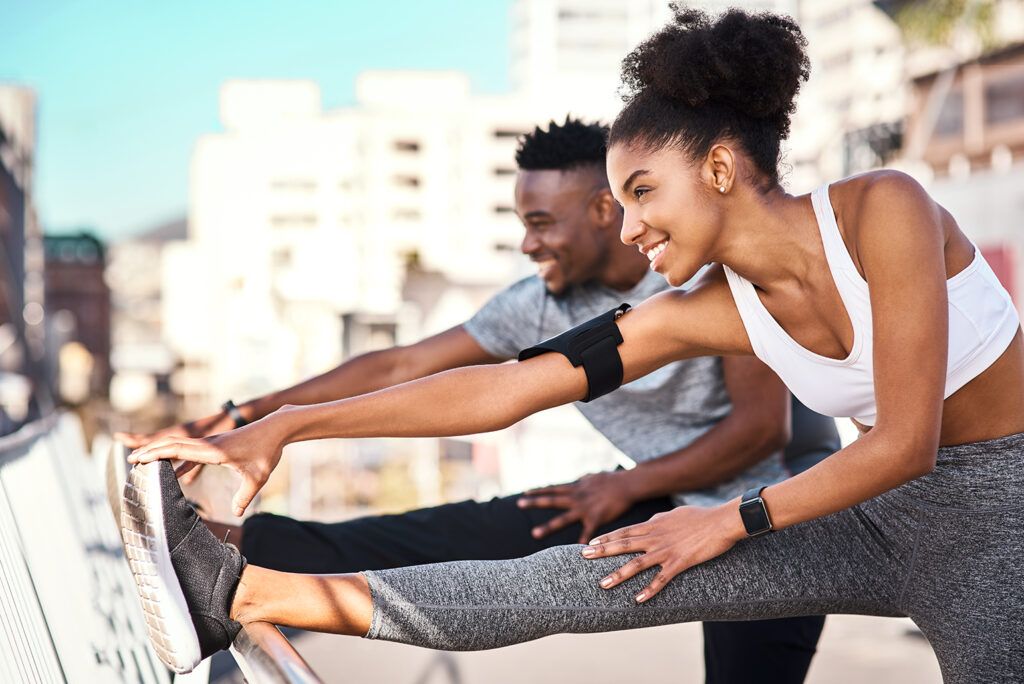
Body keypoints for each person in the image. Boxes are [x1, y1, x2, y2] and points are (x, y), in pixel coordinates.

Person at [122, 8, 1024, 684]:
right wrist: (284, 426)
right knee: (570, 583)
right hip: (858, 518)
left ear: (718, 168)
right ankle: (236, 596)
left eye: (641, 192)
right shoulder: (712, 309)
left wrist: (722, 518)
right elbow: (508, 388)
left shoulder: (883, 210)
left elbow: (910, 442)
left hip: (998, 515)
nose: (628, 228)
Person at [121, 117, 838, 683]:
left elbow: (759, 430)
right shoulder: (539, 304)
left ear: (600, 209)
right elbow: (405, 363)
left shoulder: (699, 277)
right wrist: (250, 416)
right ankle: (223, 555)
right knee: (475, 532)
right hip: (653, 495)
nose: (527, 244)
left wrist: (624, 484)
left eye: (540, 223)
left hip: (772, 510)